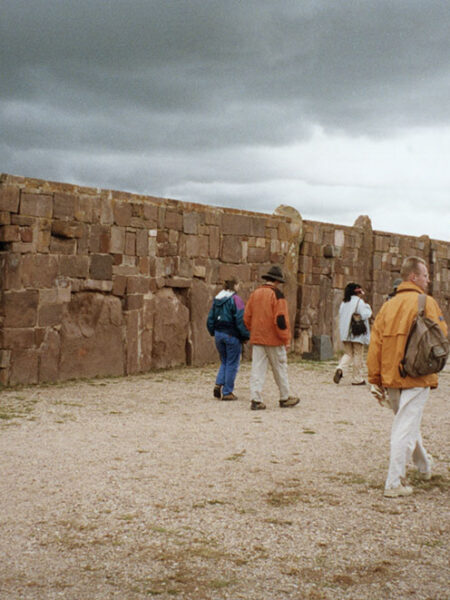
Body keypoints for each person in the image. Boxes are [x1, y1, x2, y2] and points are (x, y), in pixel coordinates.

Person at [367, 256, 448, 498]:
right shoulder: (427, 302)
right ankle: (394, 482)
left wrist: (375, 378)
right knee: (403, 427)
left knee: (407, 422)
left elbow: (375, 345)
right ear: (414, 277)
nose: (429, 279)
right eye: (425, 275)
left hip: (392, 377)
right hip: (418, 374)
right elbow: (442, 335)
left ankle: (424, 467)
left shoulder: (388, 306)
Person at [243, 265, 299, 411]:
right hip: (274, 339)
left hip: (257, 337)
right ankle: (284, 397)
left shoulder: (255, 294)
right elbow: (280, 320)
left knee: (257, 369)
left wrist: (253, 330)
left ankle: (256, 399)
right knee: (280, 368)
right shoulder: (278, 295)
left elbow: (247, 317)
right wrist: (285, 339)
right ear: (277, 281)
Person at [207, 277, 249, 401]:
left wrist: (213, 332)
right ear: (235, 285)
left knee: (225, 361)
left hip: (219, 333)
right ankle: (227, 392)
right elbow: (240, 319)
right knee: (232, 363)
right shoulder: (236, 300)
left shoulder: (217, 299)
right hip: (231, 334)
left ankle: (218, 383)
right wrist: (245, 335)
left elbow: (210, 319)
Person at [333, 283, 372, 386]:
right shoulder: (360, 302)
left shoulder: (344, 303)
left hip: (346, 332)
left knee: (348, 353)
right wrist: (368, 307)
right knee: (358, 354)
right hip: (357, 332)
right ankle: (357, 378)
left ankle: (340, 367)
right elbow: (365, 315)